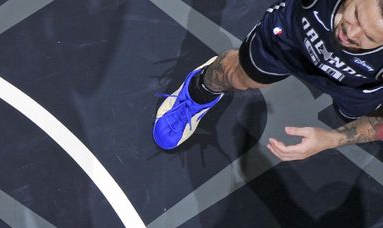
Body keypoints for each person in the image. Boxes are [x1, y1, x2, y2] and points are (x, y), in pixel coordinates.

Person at [153, 0, 383, 161]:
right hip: (291, 36)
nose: (351, 34)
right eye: (355, 15)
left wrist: (332, 139)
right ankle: (200, 89)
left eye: (370, 37)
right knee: (237, 77)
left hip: (351, 83)